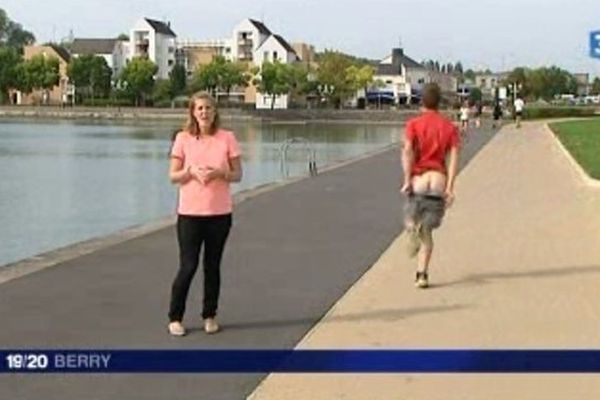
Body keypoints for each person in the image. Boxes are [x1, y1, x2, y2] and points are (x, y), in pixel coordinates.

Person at [167, 92, 243, 336]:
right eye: (199, 108)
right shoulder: (183, 139)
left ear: (215, 111)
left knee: (213, 266)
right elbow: (173, 176)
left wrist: (220, 173)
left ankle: (209, 315)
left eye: (208, 108)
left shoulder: (227, 138)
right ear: (193, 112)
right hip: (190, 214)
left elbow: (238, 174)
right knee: (188, 266)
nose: (204, 112)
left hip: (219, 214)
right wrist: (190, 171)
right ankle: (175, 317)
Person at [401, 83, 460, 288]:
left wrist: (407, 179)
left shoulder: (413, 125)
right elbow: (453, 159)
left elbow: (408, 151)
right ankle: (422, 275)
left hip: (418, 180)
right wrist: (450, 187)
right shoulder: (449, 127)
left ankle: (411, 227)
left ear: (421, 102)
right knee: (428, 234)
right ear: (439, 102)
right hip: (437, 182)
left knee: (410, 218)